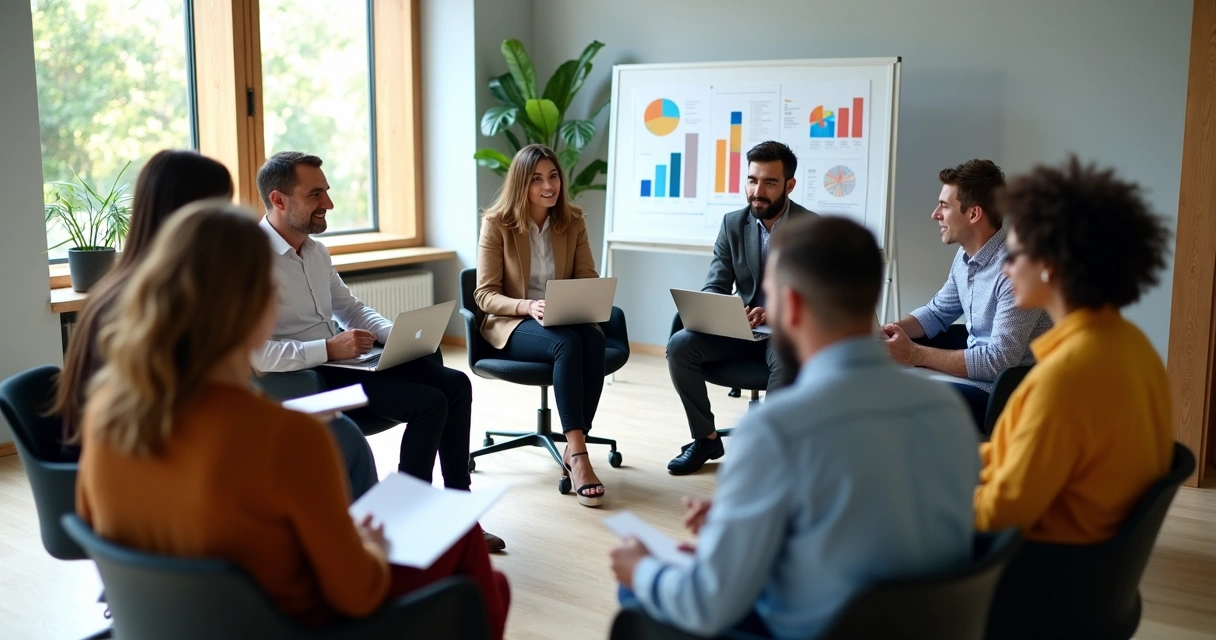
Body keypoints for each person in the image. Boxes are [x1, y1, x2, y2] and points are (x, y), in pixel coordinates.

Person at [75, 202, 510, 638]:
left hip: (164, 624)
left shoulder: (105, 417)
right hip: (286, 626)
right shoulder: (291, 437)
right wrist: (368, 546)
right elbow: (358, 594)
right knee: (480, 565)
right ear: (258, 304)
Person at [611, 216, 979, 639]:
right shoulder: (947, 409)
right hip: (927, 625)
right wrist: (749, 518)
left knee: (639, 595)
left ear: (794, 306)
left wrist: (641, 571)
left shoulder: (776, 430)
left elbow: (707, 604)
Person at [52, 150, 377, 500]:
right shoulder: (169, 302)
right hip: (162, 479)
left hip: (117, 484)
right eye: (220, 205)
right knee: (337, 438)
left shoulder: (127, 289)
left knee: (334, 435)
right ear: (187, 214)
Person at [251, 151, 503, 550]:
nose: (328, 204)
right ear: (279, 200)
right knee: (427, 403)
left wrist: (393, 334)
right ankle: (408, 520)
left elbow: (349, 308)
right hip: (306, 379)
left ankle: (460, 512)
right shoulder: (250, 261)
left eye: (327, 192)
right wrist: (328, 347)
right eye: (315, 194)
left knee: (455, 384)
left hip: (342, 363)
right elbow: (256, 355)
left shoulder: (315, 251)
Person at [975, 156, 1172, 543]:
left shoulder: (1064, 379)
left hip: (1033, 567)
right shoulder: (1132, 344)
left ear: (1049, 264)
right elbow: (1022, 455)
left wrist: (922, 498)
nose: (1004, 269)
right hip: (1087, 569)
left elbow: (996, 516)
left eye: (1013, 256)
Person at [665, 141, 816, 475]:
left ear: (789, 185)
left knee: (789, 358)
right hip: (739, 329)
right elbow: (715, 285)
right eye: (751, 180)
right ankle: (705, 439)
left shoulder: (812, 228)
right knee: (680, 346)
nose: (756, 191)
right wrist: (727, 311)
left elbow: (817, 298)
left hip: (785, 333)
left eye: (769, 182)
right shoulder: (733, 223)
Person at [475, 144, 608, 508]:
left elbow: (586, 276)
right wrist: (528, 305)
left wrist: (579, 300)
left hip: (563, 315)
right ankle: (578, 456)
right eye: (537, 179)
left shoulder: (573, 220)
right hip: (514, 321)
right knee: (567, 344)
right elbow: (485, 295)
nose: (548, 186)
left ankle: (575, 441)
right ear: (521, 184)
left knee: (593, 339)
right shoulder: (497, 224)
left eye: (553, 177)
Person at [882, 159, 1051, 432]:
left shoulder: (1016, 271)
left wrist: (914, 354)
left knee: (894, 401)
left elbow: (999, 362)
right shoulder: (964, 257)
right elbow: (938, 312)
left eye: (945, 206)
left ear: (973, 214)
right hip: (973, 379)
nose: (935, 214)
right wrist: (889, 332)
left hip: (1004, 393)